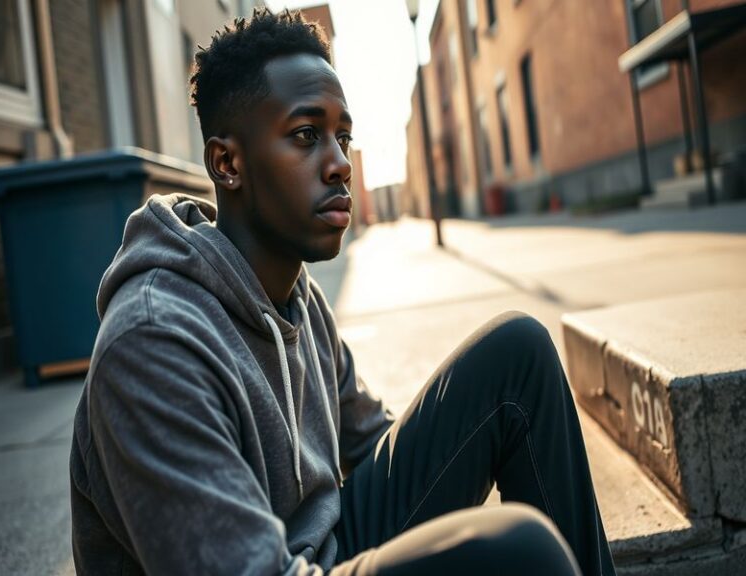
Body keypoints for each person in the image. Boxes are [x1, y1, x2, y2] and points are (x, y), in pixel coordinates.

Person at [70, 8, 615, 576]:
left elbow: (380, 444)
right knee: (520, 550)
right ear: (227, 163)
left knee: (517, 353)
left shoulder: (297, 297)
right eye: (307, 136)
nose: (339, 164)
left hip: (327, 548)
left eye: (343, 136)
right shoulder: (153, 342)